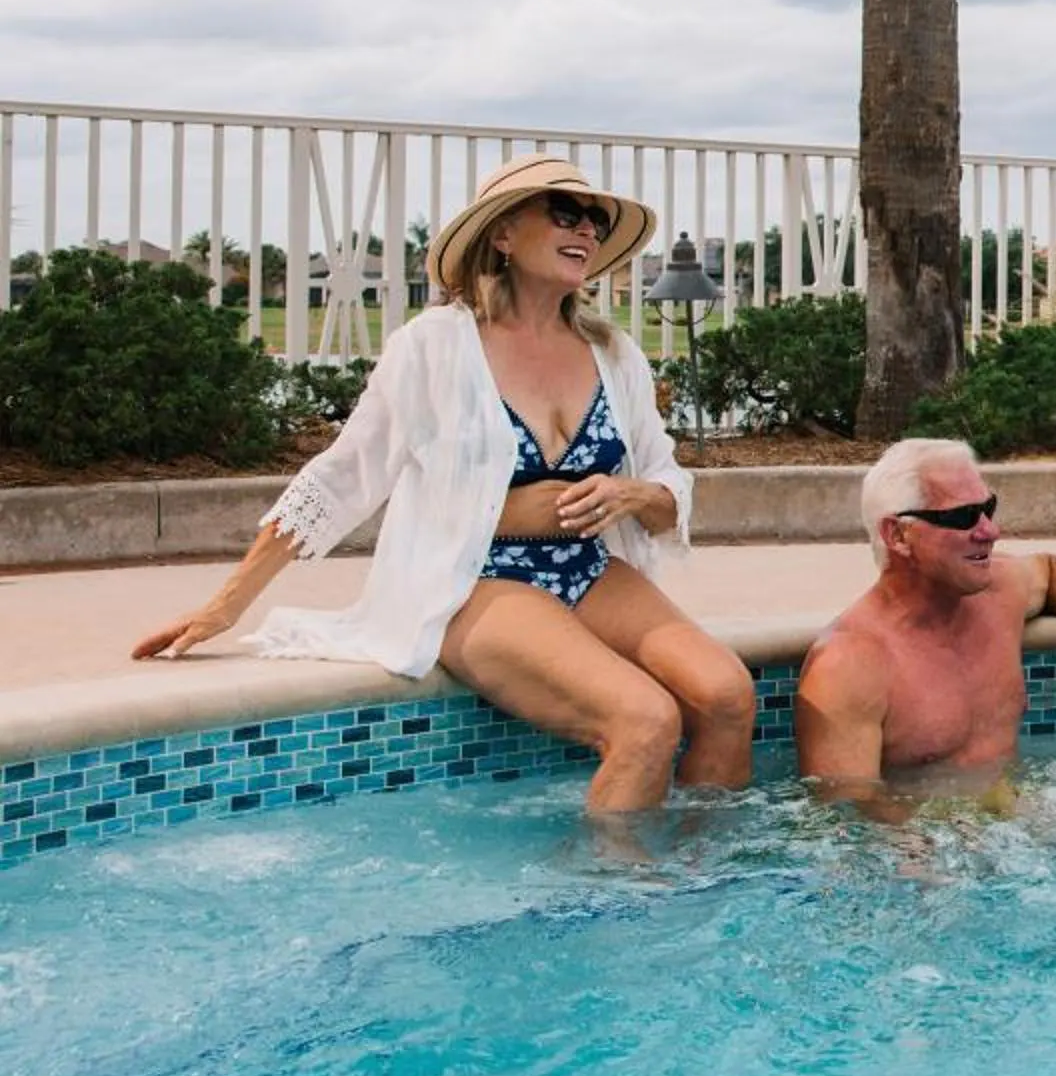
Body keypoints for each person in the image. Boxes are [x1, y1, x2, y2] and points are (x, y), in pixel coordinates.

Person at [134, 154, 756, 813]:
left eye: (597, 222)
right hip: (474, 581)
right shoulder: (432, 347)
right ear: (503, 234)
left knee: (727, 695)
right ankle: (610, 901)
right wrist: (225, 606)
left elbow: (664, 480)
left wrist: (631, 494)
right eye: (567, 214)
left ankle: (700, 885)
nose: (588, 231)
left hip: (589, 568)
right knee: (645, 721)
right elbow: (343, 477)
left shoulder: (614, 354)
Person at [795, 438, 1056, 806]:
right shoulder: (848, 666)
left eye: (988, 508)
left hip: (1015, 829)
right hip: (929, 852)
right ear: (898, 535)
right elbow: (844, 822)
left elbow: (1051, 570)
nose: (990, 531)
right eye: (963, 517)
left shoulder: (998, 594)